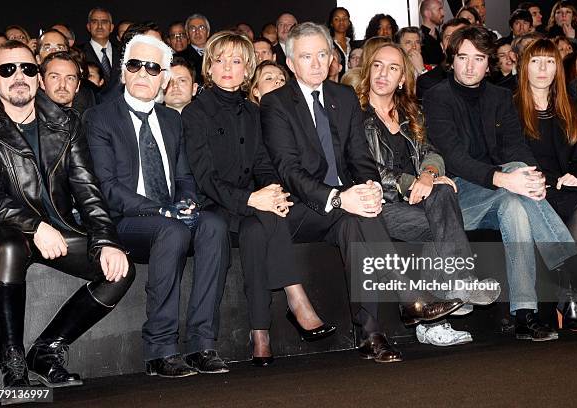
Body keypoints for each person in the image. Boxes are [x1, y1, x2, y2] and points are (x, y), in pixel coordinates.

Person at [261, 22, 464, 363]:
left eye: (321, 55)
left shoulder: (342, 96)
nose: (314, 63)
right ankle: (410, 300)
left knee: (360, 219)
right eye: (306, 56)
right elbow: (289, 170)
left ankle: (371, 335)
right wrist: (340, 197)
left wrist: (369, 188)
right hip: (299, 208)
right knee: (356, 212)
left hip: (347, 205)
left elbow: (360, 156)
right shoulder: (275, 103)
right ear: (290, 61)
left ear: (331, 59)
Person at [423, 25, 577, 342]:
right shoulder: (437, 97)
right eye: (463, 58)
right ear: (451, 60)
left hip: (500, 194)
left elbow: (516, 147)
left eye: (479, 58)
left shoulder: (499, 97)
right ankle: (570, 265)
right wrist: (508, 178)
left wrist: (533, 177)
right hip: (456, 199)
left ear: (489, 63)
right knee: (513, 178)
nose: (470, 66)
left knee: (515, 203)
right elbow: (454, 158)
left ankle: (524, 315)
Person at [182, 31, 335, 367]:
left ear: (247, 69)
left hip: (253, 210)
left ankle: (260, 333)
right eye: (220, 60)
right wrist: (255, 198)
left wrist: (273, 192)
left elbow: (266, 166)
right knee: (265, 216)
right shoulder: (195, 113)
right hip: (216, 208)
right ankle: (296, 297)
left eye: (236, 61)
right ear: (209, 64)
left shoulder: (255, 112)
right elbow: (206, 179)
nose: (227, 67)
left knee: (259, 228)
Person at [0, 41, 134, 397]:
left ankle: (46, 349)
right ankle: (13, 365)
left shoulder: (64, 123)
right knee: (8, 248)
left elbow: (88, 190)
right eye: (7, 70)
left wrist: (107, 240)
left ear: (38, 77)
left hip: (59, 230)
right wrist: (35, 226)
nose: (18, 76)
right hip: (6, 230)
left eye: (27, 68)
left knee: (120, 270)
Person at [85, 34, 230, 377]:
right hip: (124, 221)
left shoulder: (171, 121)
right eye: (135, 65)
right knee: (172, 229)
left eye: (153, 67)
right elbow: (107, 188)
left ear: (165, 78)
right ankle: (160, 349)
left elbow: (184, 178)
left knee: (213, 225)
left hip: (168, 218)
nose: (143, 74)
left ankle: (201, 344)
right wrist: (161, 211)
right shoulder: (100, 118)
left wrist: (188, 202)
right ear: (123, 73)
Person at [357, 42, 499, 346]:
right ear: (368, 70)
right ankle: (442, 308)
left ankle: (458, 288)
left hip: (418, 203)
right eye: (378, 65)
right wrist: (413, 182)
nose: (383, 74)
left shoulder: (411, 113)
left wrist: (429, 175)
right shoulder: (354, 114)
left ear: (403, 79)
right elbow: (368, 169)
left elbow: (432, 152)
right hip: (379, 205)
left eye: (393, 68)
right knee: (442, 222)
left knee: (444, 192)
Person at [515, 38, 577, 330]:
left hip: (566, 186)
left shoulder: (569, 108)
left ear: (557, 69)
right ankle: (576, 294)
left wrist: (576, 174)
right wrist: (546, 181)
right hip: (533, 187)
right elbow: (512, 155)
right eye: (536, 61)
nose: (543, 68)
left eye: (550, 61)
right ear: (525, 67)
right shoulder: (511, 107)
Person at [82, 7, 120, 90]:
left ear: (112, 27)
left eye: (104, 22)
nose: (99, 26)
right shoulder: (79, 53)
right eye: (94, 22)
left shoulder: (122, 53)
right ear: (88, 27)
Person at [175, 13, 210, 85]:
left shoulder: (217, 54)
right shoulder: (180, 58)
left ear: (208, 32)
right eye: (193, 28)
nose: (197, 32)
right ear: (187, 34)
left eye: (201, 28)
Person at [327, 7, 353, 78]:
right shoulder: (328, 45)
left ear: (349, 22)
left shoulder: (355, 45)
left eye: (345, 18)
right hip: (335, 85)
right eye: (337, 19)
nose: (341, 22)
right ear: (331, 23)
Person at [420, 0, 445, 65]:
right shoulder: (419, 39)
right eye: (439, 9)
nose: (443, 13)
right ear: (427, 13)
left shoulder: (439, 34)